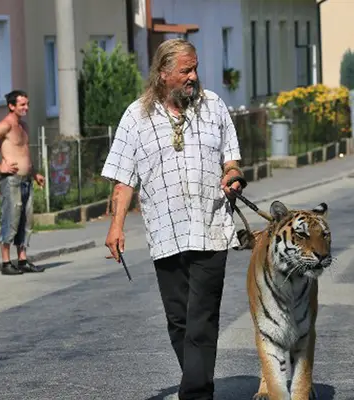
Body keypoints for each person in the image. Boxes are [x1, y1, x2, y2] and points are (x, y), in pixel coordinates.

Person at [100, 38, 243, 400]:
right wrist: (116, 226)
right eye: (185, 70)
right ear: (163, 74)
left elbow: (232, 159)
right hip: (165, 232)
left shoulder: (214, 107)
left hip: (211, 228)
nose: (194, 76)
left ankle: (195, 395)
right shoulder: (136, 117)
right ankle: (199, 384)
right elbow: (123, 178)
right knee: (179, 320)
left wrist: (233, 175)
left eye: (195, 68)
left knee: (201, 319)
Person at [0, 90, 46, 276]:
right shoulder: (5, 126)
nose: (26, 108)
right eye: (22, 105)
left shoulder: (23, 126)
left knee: (26, 220)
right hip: (12, 181)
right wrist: (0, 166)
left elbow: (24, 154)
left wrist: (34, 174)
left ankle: (22, 259)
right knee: (11, 219)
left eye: (27, 104)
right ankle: (6, 262)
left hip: (26, 180)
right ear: (12, 106)